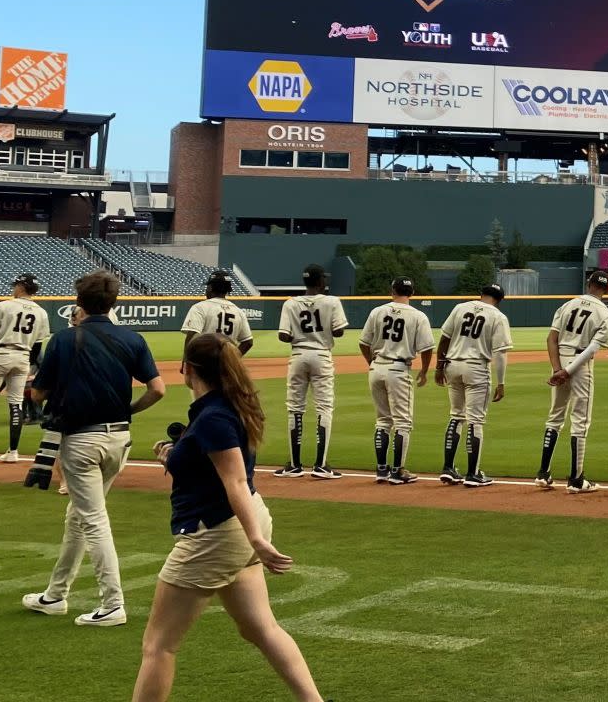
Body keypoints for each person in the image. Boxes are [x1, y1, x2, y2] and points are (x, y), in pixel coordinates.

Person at [133, 335, 325, 702]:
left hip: (217, 533)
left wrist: (257, 540)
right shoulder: (222, 408)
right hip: (239, 527)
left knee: (159, 646)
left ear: (188, 369)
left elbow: (234, 481)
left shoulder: (213, 418)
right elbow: (216, 468)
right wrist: (174, 456)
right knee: (261, 629)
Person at [21, 270, 166, 627]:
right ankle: (55, 595)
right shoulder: (132, 338)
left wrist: (41, 392)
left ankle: (113, 603)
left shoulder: (65, 339)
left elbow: (38, 394)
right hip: (119, 439)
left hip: (82, 441)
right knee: (78, 516)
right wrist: (126, 410)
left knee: (93, 519)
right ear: (114, 302)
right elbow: (158, 389)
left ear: (79, 302)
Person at [541, 270, 608, 493]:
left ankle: (543, 473)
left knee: (555, 416)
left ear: (588, 283)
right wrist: (569, 370)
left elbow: (551, 338)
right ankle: (576, 479)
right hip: (580, 364)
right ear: (607, 289)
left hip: (560, 357)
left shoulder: (567, 305)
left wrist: (557, 369)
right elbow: (593, 348)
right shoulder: (605, 313)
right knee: (580, 420)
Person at [432, 284, 512, 488]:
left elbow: (444, 339)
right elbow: (500, 353)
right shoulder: (497, 316)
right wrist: (501, 382)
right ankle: (473, 473)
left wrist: (439, 367)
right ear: (499, 299)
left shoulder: (460, 308)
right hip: (476, 368)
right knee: (475, 420)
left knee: (456, 416)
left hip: (452, 365)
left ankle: (448, 468)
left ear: (482, 294)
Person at [357, 279, 435, 485]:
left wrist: (371, 362)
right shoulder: (418, 316)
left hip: (376, 368)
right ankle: (398, 471)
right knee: (403, 422)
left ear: (392, 290)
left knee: (383, 420)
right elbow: (427, 348)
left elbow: (363, 343)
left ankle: (381, 469)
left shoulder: (377, 311)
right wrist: (425, 370)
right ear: (413, 292)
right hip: (399, 370)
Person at [274, 265, 348, 479]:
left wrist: (299, 334)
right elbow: (339, 331)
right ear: (320, 282)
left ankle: (295, 465)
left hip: (298, 355)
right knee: (324, 407)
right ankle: (321, 465)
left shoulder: (290, 303)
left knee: (295, 408)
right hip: (321, 355)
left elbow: (283, 336)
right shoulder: (332, 301)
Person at [0, 272, 49, 464]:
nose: (14, 288)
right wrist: (27, 363)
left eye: (16, 285)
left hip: (1, 353)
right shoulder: (41, 312)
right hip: (23, 357)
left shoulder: (4, 305)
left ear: (22, 287)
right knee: (16, 404)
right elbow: (37, 347)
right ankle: (13, 452)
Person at [182, 271, 254, 356]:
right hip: (226, 366)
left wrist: (186, 361)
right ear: (228, 289)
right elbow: (248, 342)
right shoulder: (239, 311)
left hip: (204, 362)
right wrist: (232, 359)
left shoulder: (199, 307)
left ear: (210, 288)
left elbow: (191, 336)